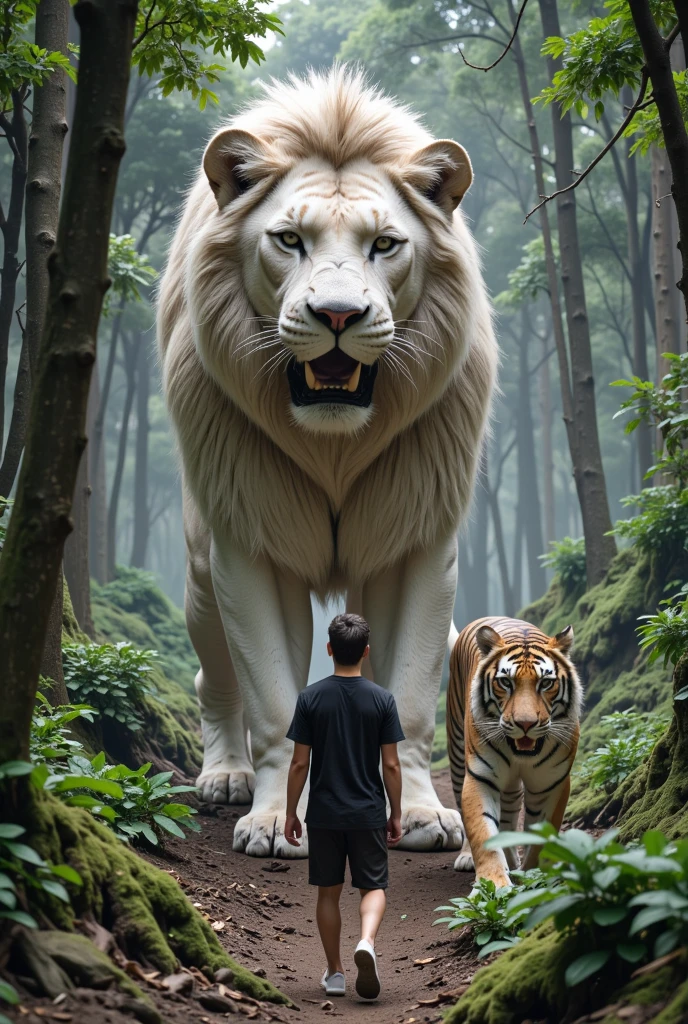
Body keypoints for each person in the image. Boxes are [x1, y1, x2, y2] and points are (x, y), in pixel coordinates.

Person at [284, 613, 404, 1000]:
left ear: (330, 649)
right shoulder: (383, 700)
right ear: (366, 652)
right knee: (374, 886)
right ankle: (367, 941)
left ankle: (335, 973)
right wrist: (396, 812)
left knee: (328, 893)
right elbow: (391, 764)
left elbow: (299, 763)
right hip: (368, 811)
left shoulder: (310, 698)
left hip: (324, 813)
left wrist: (289, 812)